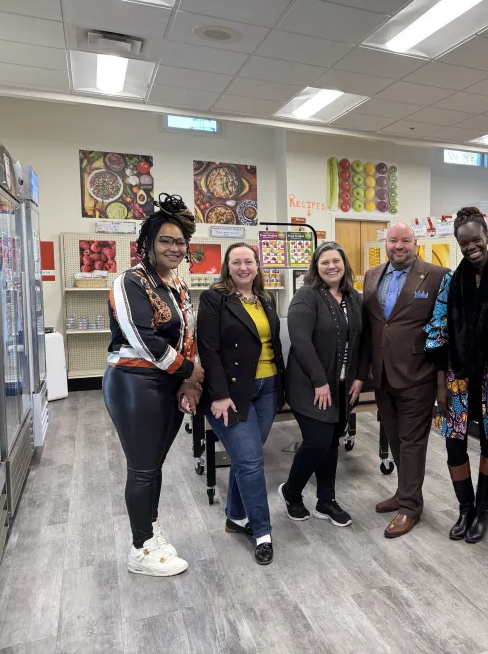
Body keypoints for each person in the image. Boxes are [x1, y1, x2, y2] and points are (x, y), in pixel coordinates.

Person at [104, 193, 202, 577]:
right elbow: (142, 337)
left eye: (180, 242)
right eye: (166, 240)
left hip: (166, 383)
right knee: (143, 467)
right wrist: (189, 372)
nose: (175, 247)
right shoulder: (129, 281)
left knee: (154, 464)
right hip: (134, 381)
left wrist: (185, 382)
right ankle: (140, 548)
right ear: (147, 243)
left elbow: (186, 332)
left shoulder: (176, 284)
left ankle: (150, 528)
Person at [425, 207, 488, 543]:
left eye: (476, 239)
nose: (471, 247)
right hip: (457, 378)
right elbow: (438, 331)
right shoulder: (451, 282)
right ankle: (464, 508)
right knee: (454, 444)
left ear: (487, 237)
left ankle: (483, 512)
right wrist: (440, 385)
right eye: (464, 242)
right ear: (458, 244)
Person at [196, 242, 285, 565]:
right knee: (250, 461)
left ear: (258, 266)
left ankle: (236, 516)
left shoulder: (265, 298)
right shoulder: (214, 298)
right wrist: (219, 394)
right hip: (231, 393)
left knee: (244, 458)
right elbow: (208, 348)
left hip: (269, 387)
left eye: (249, 261)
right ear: (228, 266)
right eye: (237, 262)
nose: (243, 267)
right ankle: (262, 532)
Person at [363, 222, 449, 538]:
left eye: (405, 241)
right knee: (396, 436)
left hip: (419, 374)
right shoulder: (372, 275)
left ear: (416, 242)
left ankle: (411, 506)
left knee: (413, 442)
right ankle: (403, 490)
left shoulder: (438, 276)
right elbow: (374, 325)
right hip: (382, 374)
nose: (399, 246)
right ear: (386, 243)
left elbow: (443, 330)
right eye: (393, 240)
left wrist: (441, 380)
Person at [279, 242, 367, 529]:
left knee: (332, 442)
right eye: (325, 262)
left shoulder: (354, 298)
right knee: (317, 441)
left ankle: (325, 501)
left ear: (345, 265)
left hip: (342, 386)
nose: (331, 266)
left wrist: (358, 377)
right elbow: (301, 341)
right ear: (316, 267)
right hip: (309, 385)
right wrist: (319, 381)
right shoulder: (307, 296)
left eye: (336, 261)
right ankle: (291, 492)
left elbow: (362, 340)